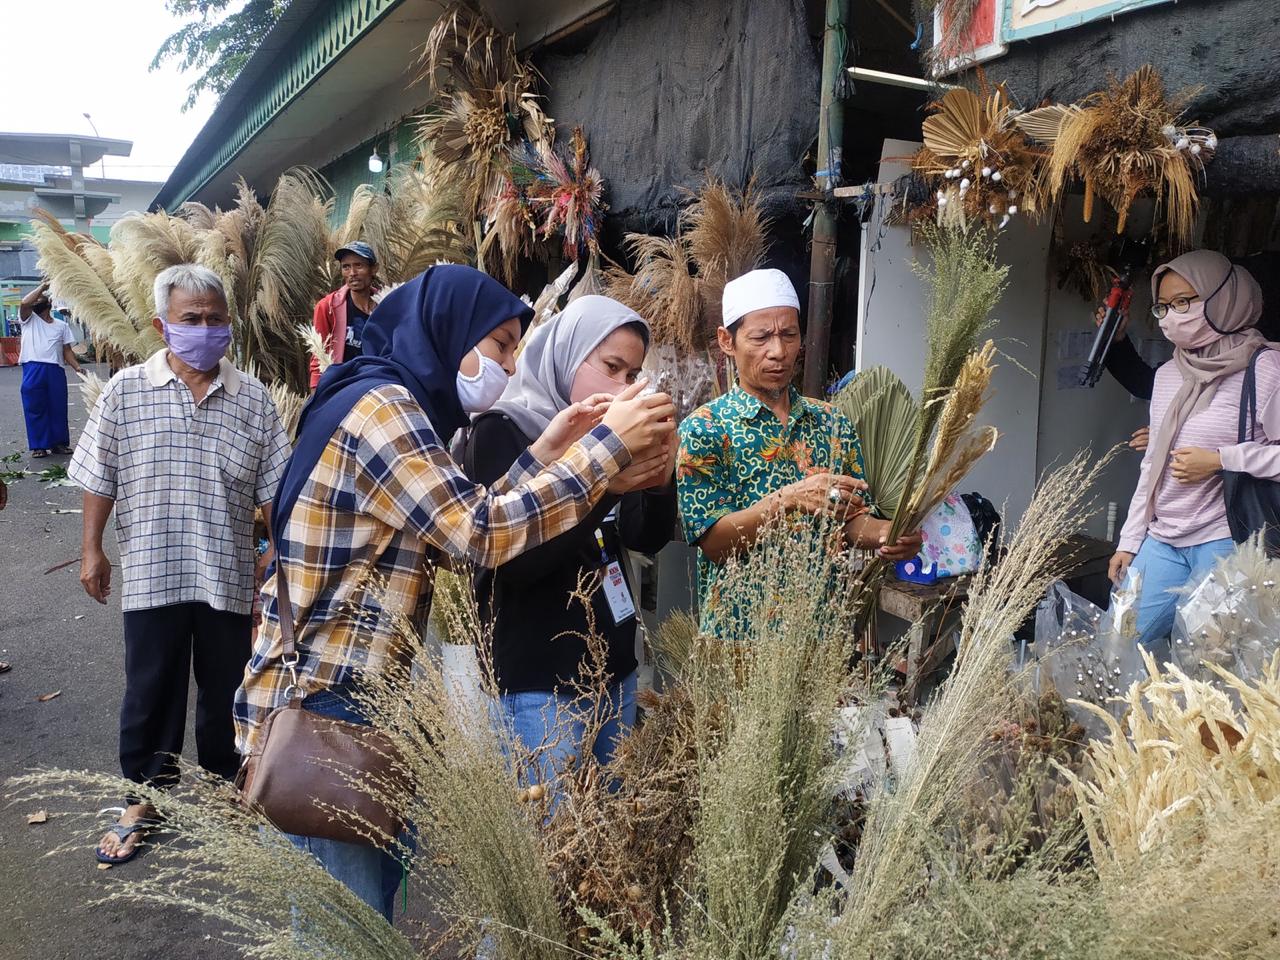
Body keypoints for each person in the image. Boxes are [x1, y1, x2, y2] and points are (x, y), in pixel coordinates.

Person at [234, 265, 676, 921]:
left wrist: (546, 451)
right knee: (344, 928)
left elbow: (451, 530)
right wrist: (604, 453)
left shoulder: (386, 399)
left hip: (359, 697)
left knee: (365, 918)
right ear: (447, 331)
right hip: (330, 703)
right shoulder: (382, 410)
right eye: (499, 345)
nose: (507, 366)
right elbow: (482, 535)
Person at [69, 264, 292, 865]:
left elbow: (275, 491)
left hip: (225, 572)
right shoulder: (126, 391)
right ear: (161, 326)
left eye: (216, 319)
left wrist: (278, 553)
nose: (205, 329)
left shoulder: (253, 400)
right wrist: (92, 548)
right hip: (151, 571)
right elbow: (98, 476)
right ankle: (144, 798)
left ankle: (226, 792)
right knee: (151, 690)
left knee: (227, 692)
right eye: (191, 319)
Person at [462, 295, 678, 784]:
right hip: (540, 682)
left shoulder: (615, 434)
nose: (623, 386)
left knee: (611, 823)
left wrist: (661, 478)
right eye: (611, 367)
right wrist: (603, 483)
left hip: (614, 668)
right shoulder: (505, 428)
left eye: (633, 374)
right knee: (548, 828)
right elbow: (518, 562)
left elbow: (643, 537)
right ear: (566, 354)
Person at [676, 269, 922, 627]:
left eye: (789, 335)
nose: (778, 352)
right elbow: (714, 543)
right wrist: (789, 499)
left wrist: (886, 533)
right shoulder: (706, 428)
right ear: (727, 341)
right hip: (738, 635)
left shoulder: (831, 422)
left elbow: (851, 519)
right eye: (761, 337)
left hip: (822, 629)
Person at [1109, 251, 1279, 657]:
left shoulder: (1265, 368)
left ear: (1224, 298)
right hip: (1162, 539)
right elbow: (1152, 465)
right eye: (1163, 306)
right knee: (1115, 646)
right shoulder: (1170, 373)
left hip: (1227, 540)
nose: (1172, 316)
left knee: (1206, 662)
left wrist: (1222, 460)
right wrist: (1130, 540)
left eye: (1184, 301)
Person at [18, 281, 82, 457]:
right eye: (35, 299)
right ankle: (39, 446)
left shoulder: (61, 326)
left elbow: (66, 350)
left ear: (48, 304)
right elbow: (24, 303)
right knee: (34, 407)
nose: (36, 301)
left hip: (55, 369)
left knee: (58, 407)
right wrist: (42, 288)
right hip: (33, 367)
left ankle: (58, 443)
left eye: (40, 299)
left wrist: (77, 367)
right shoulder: (28, 319)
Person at [309, 240, 381, 389]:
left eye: (359, 265)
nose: (352, 273)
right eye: (346, 267)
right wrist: (317, 395)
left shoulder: (386, 306)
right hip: (342, 386)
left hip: (378, 382)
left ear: (374, 269)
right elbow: (318, 356)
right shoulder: (328, 307)